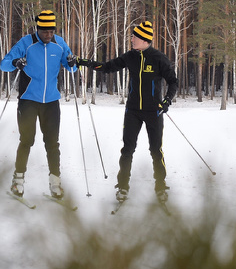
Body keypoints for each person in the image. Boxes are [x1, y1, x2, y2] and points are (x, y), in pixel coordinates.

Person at [76, 20, 178, 203]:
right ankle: (122, 187)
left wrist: (166, 101)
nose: (131, 39)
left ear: (144, 39)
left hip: (153, 112)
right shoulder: (130, 57)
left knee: (156, 150)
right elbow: (107, 68)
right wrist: (86, 63)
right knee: (127, 150)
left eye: (134, 36)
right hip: (132, 111)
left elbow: (173, 81)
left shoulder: (158, 58)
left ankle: (161, 187)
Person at [0, 10, 78, 199]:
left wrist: (73, 62)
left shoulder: (59, 43)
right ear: (38, 28)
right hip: (28, 100)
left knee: (52, 143)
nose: (48, 35)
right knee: (26, 140)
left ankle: (55, 183)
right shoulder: (26, 43)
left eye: (51, 31)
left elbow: (72, 66)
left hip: (51, 102)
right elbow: (4, 64)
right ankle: (18, 181)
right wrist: (16, 62)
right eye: (45, 32)